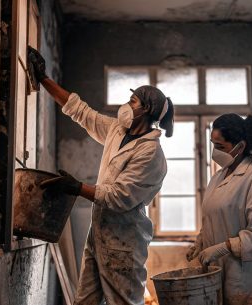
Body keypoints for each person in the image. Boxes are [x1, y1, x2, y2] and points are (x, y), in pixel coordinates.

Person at [27, 46, 174, 305]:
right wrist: (44, 79)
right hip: (99, 237)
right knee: (84, 302)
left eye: (133, 102)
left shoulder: (150, 154)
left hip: (123, 245)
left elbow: (119, 197)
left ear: (146, 109)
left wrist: (76, 187)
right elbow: (82, 112)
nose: (126, 106)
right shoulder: (118, 132)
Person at [186, 113, 252, 305]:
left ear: (241, 146)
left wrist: (223, 248)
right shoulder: (218, 177)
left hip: (247, 279)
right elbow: (213, 218)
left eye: (220, 147)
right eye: (213, 145)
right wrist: (200, 241)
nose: (215, 152)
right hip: (219, 274)